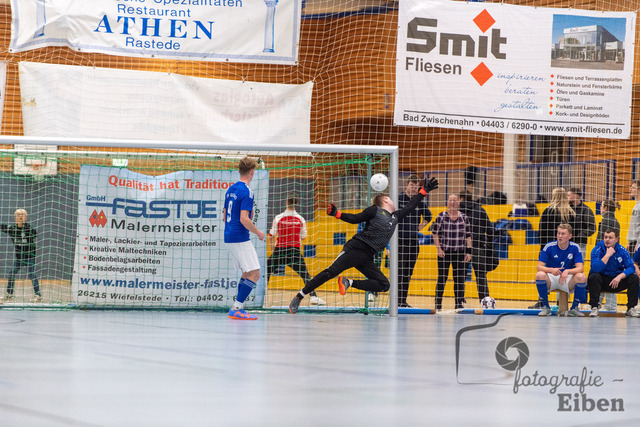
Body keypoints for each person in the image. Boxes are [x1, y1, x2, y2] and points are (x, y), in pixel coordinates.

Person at [288, 177, 439, 314]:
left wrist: (423, 191)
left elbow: (411, 206)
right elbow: (355, 218)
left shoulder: (395, 217)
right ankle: (299, 296)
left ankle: (348, 282)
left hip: (368, 256)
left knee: (384, 284)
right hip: (355, 249)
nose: (393, 201)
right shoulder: (375, 210)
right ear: (385, 201)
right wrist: (337, 214)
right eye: (390, 199)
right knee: (330, 272)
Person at [223, 156, 265, 320]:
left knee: (247, 273)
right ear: (252, 172)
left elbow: (225, 215)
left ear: (239, 170)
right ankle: (236, 308)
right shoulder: (247, 192)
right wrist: (258, 232)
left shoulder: (230, 189)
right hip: (240, 237)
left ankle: (238, 308)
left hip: (229, 236)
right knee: (255, 274)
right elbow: (244, 219)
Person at [267, 195, 325, 306]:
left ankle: (261, 294)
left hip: (279, 250)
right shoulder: (301, 219)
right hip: (294, 251)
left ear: (286, 203)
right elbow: (303, 237)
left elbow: (271, 235)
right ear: (296, 204)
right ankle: (313, 297)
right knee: (305, 275)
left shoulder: (278, 218)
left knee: (266, 271)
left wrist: (272, 248)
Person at [529, 187, 575, 309]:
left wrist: (543, 249)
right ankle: (562, 303)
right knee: (564, 275)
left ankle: (542, 301)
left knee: (543, 274)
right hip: (566, 250)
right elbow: (573, 233)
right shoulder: (571, 213)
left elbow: (541, 232)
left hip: (549, 249)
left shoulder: (548, 211)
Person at [535, 224, 587, 317]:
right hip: (552, 277)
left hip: (567, 279)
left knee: (581, 277)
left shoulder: (575, 247)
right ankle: (546, 308)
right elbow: (539, 267)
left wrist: (567, 271)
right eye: (558, 233)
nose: (560, 236)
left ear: (570, 236)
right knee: (539, 275)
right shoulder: (549, 246)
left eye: (563, 234)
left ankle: (574, 308)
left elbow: (580, 268)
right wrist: (551, 270)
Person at [397, 174, 432, 308]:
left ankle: (403, 301)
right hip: (400, 241)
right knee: (399, 272)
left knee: (408, 273)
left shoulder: (419, 201)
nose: (413, 189)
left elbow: (428, 216)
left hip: (413, 241)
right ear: (407, 185)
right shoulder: (398, 199)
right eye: (411, 185)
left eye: (416, 187)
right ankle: (396, 301)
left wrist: (418, 227)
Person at [432, 193, 472, 311]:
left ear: (458, 202)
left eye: (455, 200)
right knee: (442, 279)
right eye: (450, 200)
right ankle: (438, 304)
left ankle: (458, 304)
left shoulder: (464, 217)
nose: (452, 202)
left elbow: (468, 236)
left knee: (459, 280)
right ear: (447, 202)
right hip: (444, 253)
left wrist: (468, 252)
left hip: (459, 253)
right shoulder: (441, 216)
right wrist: (438, 249)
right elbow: (435, 233)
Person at [587, 228, 639, 317]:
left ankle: (631, 308)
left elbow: (631, 267)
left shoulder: (622, 250)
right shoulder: (597, 249)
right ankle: (594, 308)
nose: (607, 240)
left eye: (610, 237)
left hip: (616, 281)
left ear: (616, 239)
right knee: (594, 276)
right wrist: (607, 255)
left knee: (634, 278)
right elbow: (595, 268)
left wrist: (620, 276)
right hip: (602, 281)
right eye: (605, 237)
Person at [458, 189, 495, 302]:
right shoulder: (480, 210)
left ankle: (459, 300)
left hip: (462, 248)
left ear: (461, 199)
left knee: (460, 275)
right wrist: (488, 246)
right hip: (479, 247)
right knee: (481, 276)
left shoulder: (457, 212)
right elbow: (490, 230)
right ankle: (484, 301)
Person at [0, 209, 42, 303]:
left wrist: (24, 227)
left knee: (31, 274)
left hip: (29, 256)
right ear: (15, 217)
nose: (20, 216)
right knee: (11, 273)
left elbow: (35, 233)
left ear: (25, 217)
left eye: (22, 215)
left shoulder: (28, 228)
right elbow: (3, 226)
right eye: (18, 215)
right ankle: (9, 293)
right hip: (19, 258)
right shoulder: (12, 229)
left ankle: (38, 295)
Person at [596, 199, 621, 310]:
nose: (600, 208)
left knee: (602, 277)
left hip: (605, 254)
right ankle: (608, 305)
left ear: (605, 208)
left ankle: (602, 304)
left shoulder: (605, 220)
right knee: (610, 277)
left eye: (601, 206)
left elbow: (601, 238)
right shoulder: (616, 221)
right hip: (614, 253)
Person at [567, 187, 596, 259]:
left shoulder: (586, 210)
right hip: (567, 243)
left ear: (575, 196)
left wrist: (580, 235)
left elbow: (592, 227)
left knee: (579, 263)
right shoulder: (566, 209)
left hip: (580, 243)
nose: (567, 197)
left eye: (568, 195)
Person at [627, 180, 640, 254]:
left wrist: (638, 243)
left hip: (637, 243)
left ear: (639, 190)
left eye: (633, 188)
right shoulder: (636, 206)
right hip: (632, 242)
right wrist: (629, 242)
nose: (630, 189)